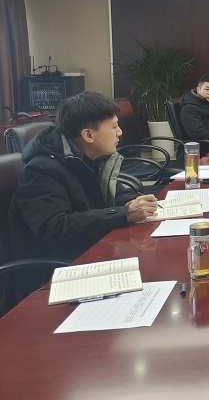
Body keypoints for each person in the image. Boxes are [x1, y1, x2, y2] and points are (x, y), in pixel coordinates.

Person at [9, 92, 159, 299]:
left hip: (94, 251)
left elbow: (111, 192)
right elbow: (56, 230)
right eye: (114, 127)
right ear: (89, 135)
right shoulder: (41, 171)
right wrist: (123, 213)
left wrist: (129, 201)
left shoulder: (91, 156)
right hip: (57, 275)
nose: (120, 132)